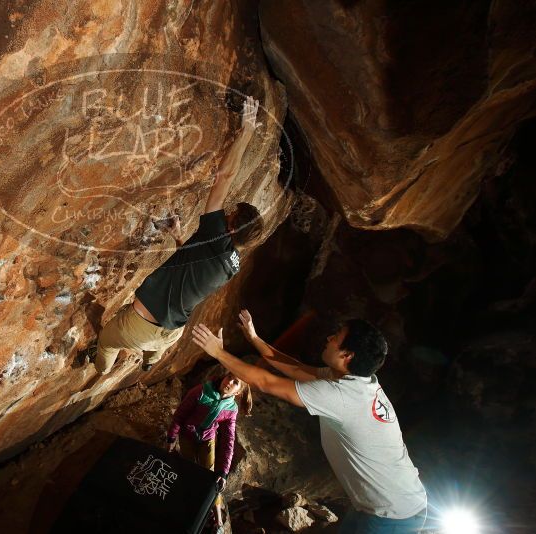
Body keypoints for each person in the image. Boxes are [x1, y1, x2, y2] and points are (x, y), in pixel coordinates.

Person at [191, 310, 428, 533]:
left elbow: (266, 383)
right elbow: (295, 368)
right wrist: (254, 337)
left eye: (336, 337)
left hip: (391, 515)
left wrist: (219, 353)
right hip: (390, 504)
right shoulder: (358, 381)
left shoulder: (341, 396)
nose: (329, 337)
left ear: (347, 356)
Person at [87, 97, 265, 380]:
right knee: (152, 348)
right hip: (171, 334)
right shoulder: (232, 264)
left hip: (139, 326)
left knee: (107, 343)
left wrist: (246, 131)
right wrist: (180, 237)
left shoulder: (216, 236)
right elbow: (194, 269)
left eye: (229, 215)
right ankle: (149, 362)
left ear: (229, 229)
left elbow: (224, 178)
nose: (225, 212)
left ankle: (99, 368)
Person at [167, 372, 252, 532]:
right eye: (229, 377)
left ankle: (217, 520)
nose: (229, 382)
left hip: (208, 439)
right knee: (190, 471)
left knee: (214, 479)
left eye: (235, 383)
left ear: (238, 392)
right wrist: (172, 438)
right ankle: (190, 507)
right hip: (188, 436)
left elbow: (228, 440)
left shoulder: (231, 409)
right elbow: (180, 415)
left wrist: (224, 472)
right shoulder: (200, 391)